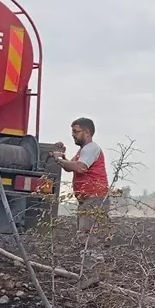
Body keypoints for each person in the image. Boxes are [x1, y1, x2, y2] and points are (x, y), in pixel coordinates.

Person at [49, 117, 109, 289]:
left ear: (87, 132)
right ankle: (94, 273)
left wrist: (59, 159)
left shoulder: (91, 149)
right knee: (88, 236)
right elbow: (71, 166)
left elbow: (80, 168)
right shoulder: (84, 151)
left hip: (94, 198)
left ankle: (92, 276)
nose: (73, 135)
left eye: (76, 132)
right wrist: (61, 157)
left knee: (88, 237)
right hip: (89, 199)